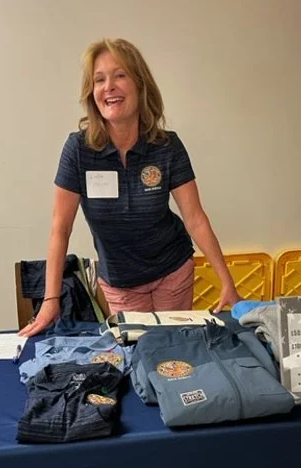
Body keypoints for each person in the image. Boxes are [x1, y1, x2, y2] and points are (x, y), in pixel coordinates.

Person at [20, 38, 241, 337]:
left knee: (175, 355)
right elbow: (60, 228)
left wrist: (227, 281)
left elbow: (195, 218)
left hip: (172, 272)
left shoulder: (166, 146)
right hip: (120, 284)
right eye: (99, 79)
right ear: (92, 93)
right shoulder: (78, 150)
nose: (108, 86)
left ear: (140, 84)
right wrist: (50, 299)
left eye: (120, 75)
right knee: (136, 356)